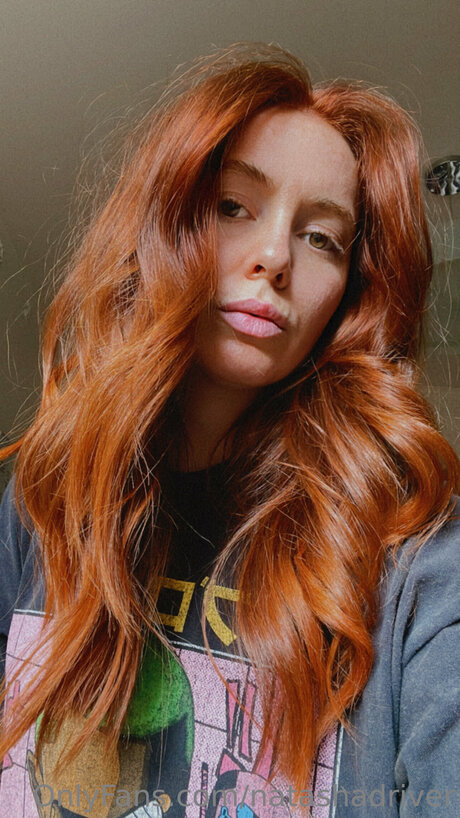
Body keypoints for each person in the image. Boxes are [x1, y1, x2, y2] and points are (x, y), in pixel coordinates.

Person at [0, 42, 459, 818]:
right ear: (162, 224)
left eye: (322, 238)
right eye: (232, 207)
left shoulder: (414, 555)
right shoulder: (44, 496)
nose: (274, 257)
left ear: (348, 295)